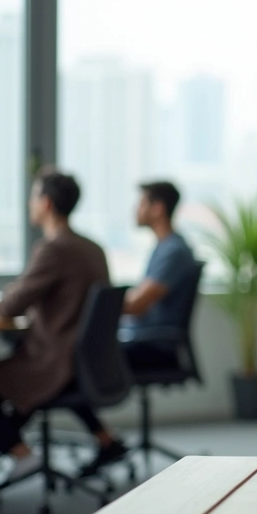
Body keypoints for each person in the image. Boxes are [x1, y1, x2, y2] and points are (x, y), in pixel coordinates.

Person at [73, 181, 199, 477]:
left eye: (141, 203)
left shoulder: (173, 251)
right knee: (72, 357)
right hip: (143, 338)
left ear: (157, 208)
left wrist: (88, 305)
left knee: (75, 361)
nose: (135, 209)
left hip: (156, 345)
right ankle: (104, 439)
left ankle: (103, 440)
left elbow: (136, 305)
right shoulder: (164, 248)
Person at [0, 170, 109, 483]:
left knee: (7, 375)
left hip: (55, 361)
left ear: (45, 203)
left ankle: (21, 453)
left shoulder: (53, 249)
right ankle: (15, 446)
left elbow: (10, 305)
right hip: (84, 360)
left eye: (33, 196)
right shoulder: (92, 246)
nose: (29, 203)